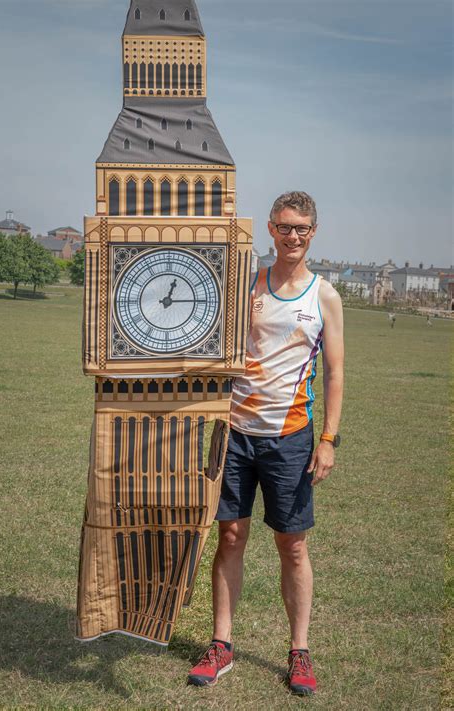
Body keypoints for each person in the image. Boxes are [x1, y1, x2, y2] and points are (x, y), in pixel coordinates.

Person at [187, 192, 345, 695]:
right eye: (284, 227)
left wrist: (328, 439)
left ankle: (299, 652)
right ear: (271, 231)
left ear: (313, 232)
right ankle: (221, 645)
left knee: (292, 547)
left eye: (301, 228)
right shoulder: (248, 284)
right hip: (235, 433)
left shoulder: (325, 296)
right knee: (230, 537)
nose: (292, 235)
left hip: (291, 438)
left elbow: (337, 373)